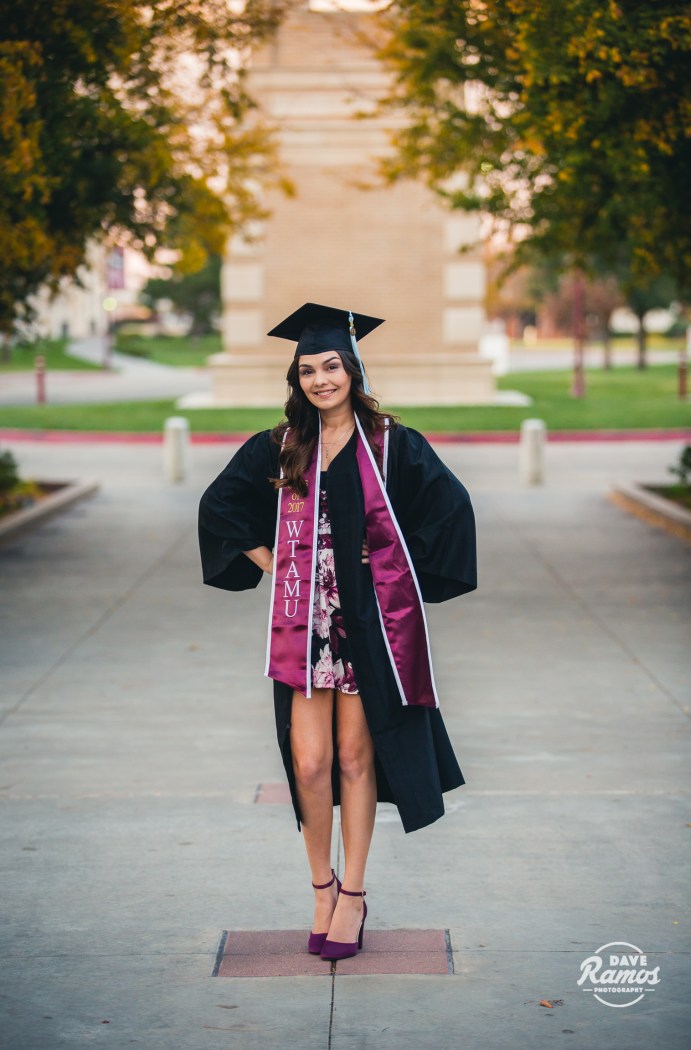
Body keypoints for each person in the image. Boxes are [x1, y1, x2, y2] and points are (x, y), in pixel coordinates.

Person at [198, 302, 477, 960]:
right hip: (303, 624)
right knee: (310, 763)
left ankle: (352, 894)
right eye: (307, 370)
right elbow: (220, 506)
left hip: (365, 629)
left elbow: (450, 507)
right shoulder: (280, 447)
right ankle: (318, 886)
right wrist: (277, 563)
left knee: (355, 759)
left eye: (331, 366)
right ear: (295, 381)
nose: (321, 379)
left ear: (352, 368)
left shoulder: (390, 444)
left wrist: (391, 558)